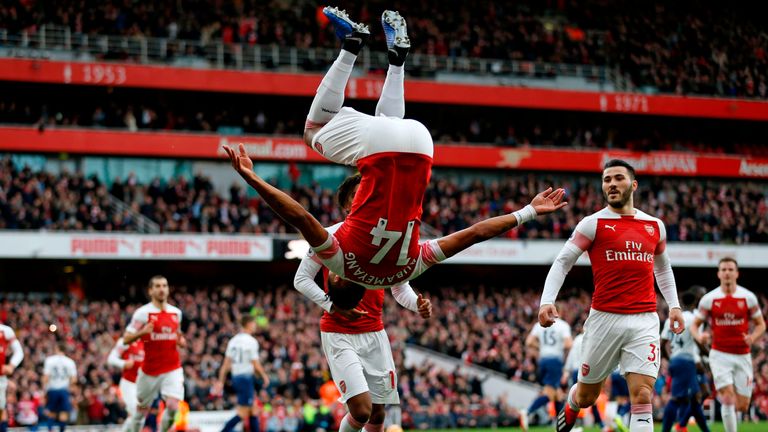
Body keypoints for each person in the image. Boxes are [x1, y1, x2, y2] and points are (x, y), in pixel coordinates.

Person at [223, 7, 567, 292]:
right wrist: (252, 179)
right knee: (314, 131)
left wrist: (529, 212)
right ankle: (351, 45)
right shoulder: (337, 257)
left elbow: (474, 233)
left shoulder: (407, 272)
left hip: (421, 145)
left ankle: (397, 61)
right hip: (383, 148)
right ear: (339, 280)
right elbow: (298, 215)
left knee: (389, 121)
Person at [537, 159, 684, 432]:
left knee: (641, 395)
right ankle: (571, 402)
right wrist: (547, 300)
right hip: (604, 319)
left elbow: (662, 268)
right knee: (587, 397)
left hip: (645, 319)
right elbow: (562, 262)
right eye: (607, 180)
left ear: (634, 184)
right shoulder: (592, 223)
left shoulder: (654, 226)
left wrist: (674, 305)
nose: (612, 184)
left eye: (618, 178)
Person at [295, 173, 433, 432]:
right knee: (361, 410)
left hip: (375, 333)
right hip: (339, 333)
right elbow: (301, 279)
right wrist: (333, 306)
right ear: (348, 205)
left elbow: (399, 285)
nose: (368, 198)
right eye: (360, 194)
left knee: (378, 415)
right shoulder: (331, 235)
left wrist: (417, 303)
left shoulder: (386, 236)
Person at [689, 257, 766, 432]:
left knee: (742, 405)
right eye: (723, 269)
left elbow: (761, 324)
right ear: (718, 274)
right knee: (727, 397)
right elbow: (694, 325)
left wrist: (753, 338)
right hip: (719, 354)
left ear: (737, 273)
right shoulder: (710, 299)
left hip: (742, 355)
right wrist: (699, 336)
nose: (727, 273)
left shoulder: (748, 298)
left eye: (730, 269)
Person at [123, 275, 186, 432]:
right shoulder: (143, 313)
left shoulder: (176, 313)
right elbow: (126, 339)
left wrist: (181, 341)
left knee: (172, 406)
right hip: (149, 371)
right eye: (157, 286)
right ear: (150, 291)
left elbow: (178, 335)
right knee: (140, 413)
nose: (161, 289)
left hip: (172, 368)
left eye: (164, 286)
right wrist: (142, 332)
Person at [660, 291, 710, 432]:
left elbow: (663, 343)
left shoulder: (673, 319)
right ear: (695, 303)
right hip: (688, 360)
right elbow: (697, 340)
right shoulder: (694, 319)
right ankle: (674, 427)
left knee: (694, 396)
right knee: (677, 398)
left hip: (676, 360)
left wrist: (671, 359)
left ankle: (682, 425)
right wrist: (711, 354)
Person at [521, 307, 572, 430]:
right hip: (554, 360)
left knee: (557, 394)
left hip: (543, 360)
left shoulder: (539, 325)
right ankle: (527, 412)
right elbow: (569, 344)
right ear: (557, 311)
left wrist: (542, 346)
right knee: (550, 393)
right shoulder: (562, 325)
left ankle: (561, 426)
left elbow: (528, 342)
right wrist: (558, 346)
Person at [217, 315, 270, 432]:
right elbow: (255, 363)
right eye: (254, 324)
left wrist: (220, 381)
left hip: (236, 378)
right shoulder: (251, 341)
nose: (255, 326)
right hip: (246, 378)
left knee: (253, 410)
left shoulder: (233, 341)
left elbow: (226, 365)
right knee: (243, 412)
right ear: (249, 324)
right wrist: (264, 376)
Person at [107, 337, 145, 432]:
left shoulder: (149, 341)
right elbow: (111, 359)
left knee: (139, 417)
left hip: (143, 385)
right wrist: (123, 363)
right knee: (137, 413)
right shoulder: (126, 341)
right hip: (128, 383)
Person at [42, 342, 77, 432]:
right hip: (64, 390)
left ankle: (50, 430)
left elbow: (45, 377)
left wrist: (44, 390)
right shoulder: (70, 361)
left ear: (57, 349)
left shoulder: (49, 360)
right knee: (63, 413)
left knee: (51, 412)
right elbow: (74, 379)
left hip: (52, 389)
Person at [0, 322, 24, 432]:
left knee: (1, 409)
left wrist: (11, 365)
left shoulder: (5, 330)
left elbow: (19, 351)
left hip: (1, 378)